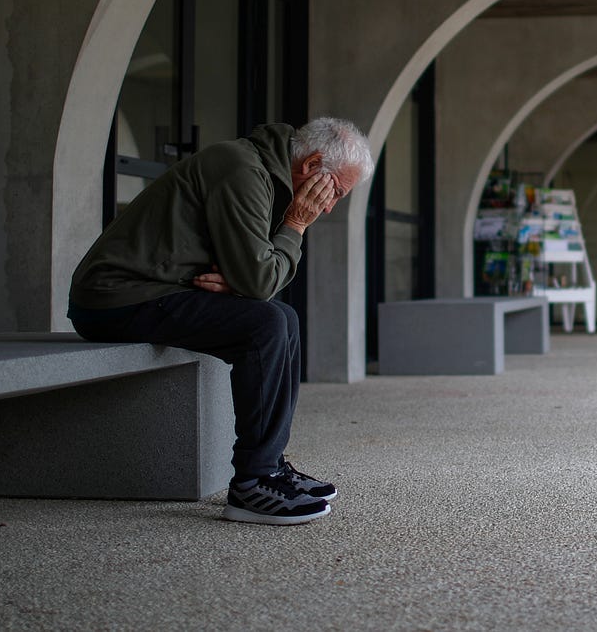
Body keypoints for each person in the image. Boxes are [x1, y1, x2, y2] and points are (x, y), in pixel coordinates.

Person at [68, 117, 375, 526]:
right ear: (312, 164)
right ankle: (252, 483)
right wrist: (295, 225)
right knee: (265, 325)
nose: (330, 205)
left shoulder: (266, 174)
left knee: (283, 317)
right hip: (115, 298)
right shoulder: (243, 170)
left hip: (159, 289)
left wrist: (244, 280)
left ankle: (270, 466)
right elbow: (261, 280)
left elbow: (256, 278)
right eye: (335, 190)